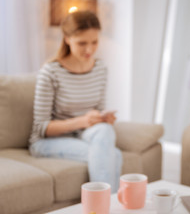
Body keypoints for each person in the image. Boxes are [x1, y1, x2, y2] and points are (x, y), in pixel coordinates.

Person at [29, 11, 122, 193]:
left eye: (94, 42)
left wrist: (102, 118)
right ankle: (106, 207)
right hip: (47, 142)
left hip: (84, 134)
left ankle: (101, 207)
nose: (89, 50)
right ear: (66, 39)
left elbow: (98, 109)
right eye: (82, 43)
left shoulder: (100, 68)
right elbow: (41, 127)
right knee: (113, 155)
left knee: (105, 131)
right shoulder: (51, 72)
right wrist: (82, 121)